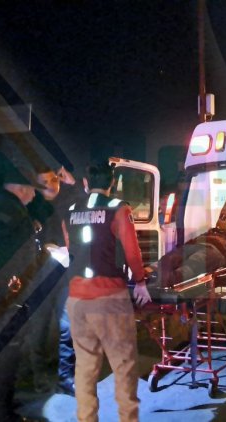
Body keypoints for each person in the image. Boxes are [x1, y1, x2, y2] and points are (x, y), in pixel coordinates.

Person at [63, 162, 151, 422]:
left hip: (77, 298)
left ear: (85, 183)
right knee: (123, 365)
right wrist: (141, 282)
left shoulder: (70, 211)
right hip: (109, 297)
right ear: (112, 183)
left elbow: (71, 250)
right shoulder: (118, 209)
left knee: (85, 367)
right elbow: (132, 251)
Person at [0, 162, 47, 422]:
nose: (34, 195)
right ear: (21, 188)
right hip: (9, 293)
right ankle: (0, 409)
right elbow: (12, 255)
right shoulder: (12, 211)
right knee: (9, 348)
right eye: (32, 190)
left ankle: (3, 400)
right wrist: (14, 285)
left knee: (5, 346)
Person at [24, 165, 84, 396]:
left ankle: (65, 378)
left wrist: (73, 183)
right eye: (45, 181)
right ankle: (39, 377)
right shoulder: (32, 207)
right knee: (38, 328)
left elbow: (91, 205)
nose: (51, 184)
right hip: (39, 277)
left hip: (66, 275)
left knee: (68, 328)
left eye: (53, 179)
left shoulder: (70, 201)